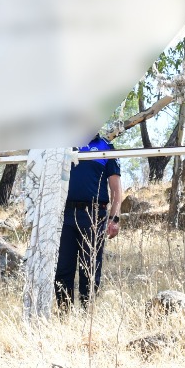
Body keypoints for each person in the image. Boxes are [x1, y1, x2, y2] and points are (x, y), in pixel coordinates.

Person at [55, 129, 122, 309]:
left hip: (94, 216)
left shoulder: (105, 147)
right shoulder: (64, 145)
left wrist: (114, 218)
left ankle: (86, 315)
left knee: (90, 268)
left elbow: (116, 190)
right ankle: (64, 315)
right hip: (66, 215)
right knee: (63, 268)